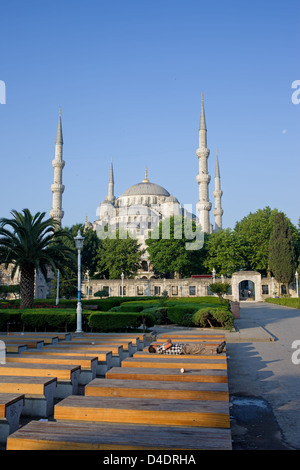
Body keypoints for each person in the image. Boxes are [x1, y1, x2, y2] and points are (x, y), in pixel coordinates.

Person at [148, 338, 226, 355]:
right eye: (154, 345)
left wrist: (167, 342)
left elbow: (168, 343)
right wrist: (168, 342)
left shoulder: (160, 348)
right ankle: (216, 351)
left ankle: (217, 348)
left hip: (183, 347)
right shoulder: (160, 349)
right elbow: (169, 343)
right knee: (199, 350)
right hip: (183, 349)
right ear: (153, 347)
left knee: (200, 346)